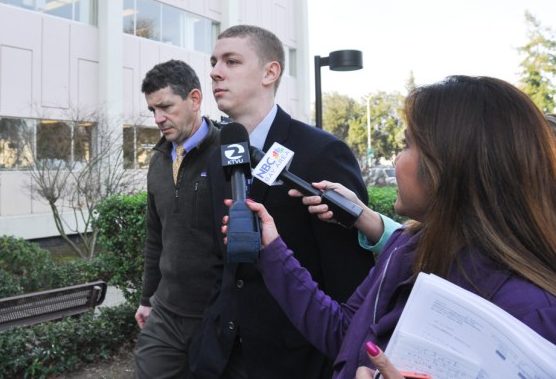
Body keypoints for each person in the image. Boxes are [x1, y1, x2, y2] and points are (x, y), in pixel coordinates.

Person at [222, 75, 556, 379]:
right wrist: (272, 250)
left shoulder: (529, 310)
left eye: (408, 145)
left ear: (449, 165)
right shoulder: (405, 247)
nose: (396, 159)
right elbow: (344, 333)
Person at [189, 25, 375, 379]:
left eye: (231, 61)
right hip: (221, 356)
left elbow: (350, 280)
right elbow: (222, 263)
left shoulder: (322, 152)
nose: (215, 71)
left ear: (269, 72)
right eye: (214, 62)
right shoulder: (217, 158)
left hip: (297, 360)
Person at [133, 59, 221, 379]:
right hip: (165, 313)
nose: (158, 118)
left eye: (166, 107)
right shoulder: (158, 161)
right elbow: (155, 237)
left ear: (194, 100)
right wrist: (146, 300)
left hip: (215, 314)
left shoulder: (229, 152)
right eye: (152, 110)